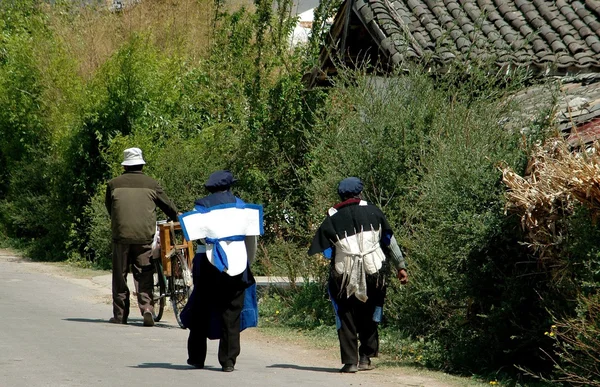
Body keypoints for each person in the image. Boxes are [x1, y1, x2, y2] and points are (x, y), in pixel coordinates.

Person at [308, 177, 408, 373]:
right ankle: (365, 357)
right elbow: (389, 241)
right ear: (360, 193)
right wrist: (400, 266)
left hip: (343, 275)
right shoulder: (374, 212)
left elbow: (326, 249)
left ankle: (350, 362)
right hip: (375, 271)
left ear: (341, 195)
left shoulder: (332, 218)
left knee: (346, 315)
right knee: (370, 312)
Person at [178, 170, 262, 372]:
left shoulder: (201, 207)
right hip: (237, 261)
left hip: (207, 262)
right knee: (231, 311)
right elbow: (251, 241)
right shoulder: (242, 208)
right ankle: (228, 360)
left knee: (201, 308)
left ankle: (197, 358)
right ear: (229, 186)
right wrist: (246, 263)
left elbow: (196, 239)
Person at [104, 147, 178, 327]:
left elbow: (110, 209)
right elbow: (167, 206)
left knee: (120, 275)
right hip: (144, 236)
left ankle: (120, 315)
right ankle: (147, 309)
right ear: (141, 165)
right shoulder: (152, 184)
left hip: (121, 236)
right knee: (144, 273)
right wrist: (177, 217)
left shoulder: (113, 184)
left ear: (125, 166)